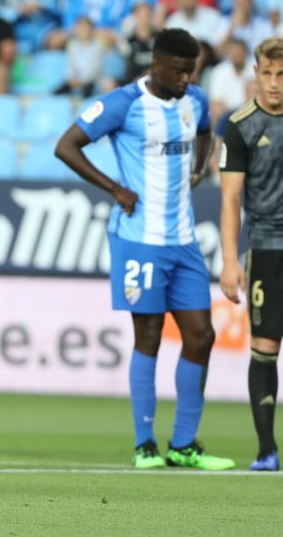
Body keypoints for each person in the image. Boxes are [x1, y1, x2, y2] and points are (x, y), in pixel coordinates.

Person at [54, 28, 234, 471]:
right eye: (178, 70)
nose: (186, 79)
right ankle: (144, 444)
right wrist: (115, 189)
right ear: (156, 64)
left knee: (201, 336)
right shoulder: (123, 103)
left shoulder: (195, 100)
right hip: (139, 240)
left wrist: (197, 167)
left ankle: (185, 444)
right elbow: (66, 146)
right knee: (148, 337)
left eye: (191, 71)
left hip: (185, 241)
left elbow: (207, 131)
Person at [219, 37, 283, 471]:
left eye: (282, 75)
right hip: (266, 247)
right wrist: (228, 259)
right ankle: (266, 449)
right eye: (268, 74)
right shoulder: (240, 125)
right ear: (255, 73)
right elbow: (230, 199)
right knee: (265, 345)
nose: (275, 83)